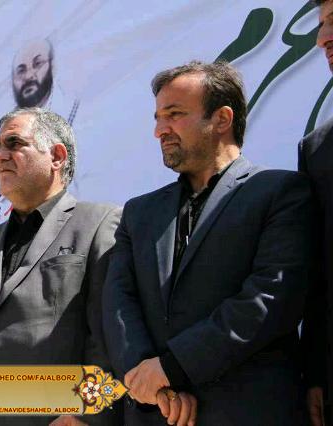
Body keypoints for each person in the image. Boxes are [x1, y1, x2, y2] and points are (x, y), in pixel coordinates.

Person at [102, 60, 313, 425]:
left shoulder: (279, 192)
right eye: (157, 118)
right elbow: (118, 303)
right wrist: (149, 383)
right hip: (154, 412)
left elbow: (270, 298)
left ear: (222, 119)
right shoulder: (138, 213)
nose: (159, 130)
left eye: (174, 114)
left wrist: (174, 367)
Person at [0, 108, 122, 425]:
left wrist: (86, 414)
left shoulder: (98, 224)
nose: (0, 156)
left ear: (57, 157)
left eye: (14, 143)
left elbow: (109, 333)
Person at [299, 1, 333, 424]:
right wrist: (315, 374)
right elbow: (317, 275)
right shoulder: (317, 149)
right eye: (322, 25)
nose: (323, 38)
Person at [11, 39, 79, 125]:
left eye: (37, 64)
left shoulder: (75, 110)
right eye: (21, 71)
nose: (28, 76)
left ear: (52, 67)